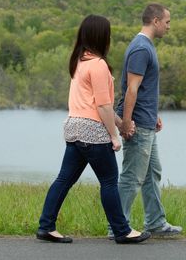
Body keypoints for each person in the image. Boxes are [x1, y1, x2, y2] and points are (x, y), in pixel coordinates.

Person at [36, 14, 150, 244]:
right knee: (109, 181)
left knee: (63, 180)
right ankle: (122, 231)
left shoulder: (79, 61)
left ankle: (46, 226)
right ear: (101, 36)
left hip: (74, 128)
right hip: (92, 132)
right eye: (108, 33)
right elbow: (102, 106)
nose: (109, 37)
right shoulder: (98, 65)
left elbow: (95, 104)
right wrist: (114, 135)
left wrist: (121, 123)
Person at [107, 3, 182, 239]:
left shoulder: (146, 47)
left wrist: (154, 114)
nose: (169, 27)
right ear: (156, 21)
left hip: (147, 121)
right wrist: (126, 123)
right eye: (167, 22)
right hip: (138, 125)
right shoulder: (141, 48)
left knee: (152, 174)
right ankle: (117, 227)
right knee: (132, 177)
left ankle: (156, 222)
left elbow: (145, 88)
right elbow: (132, 89)